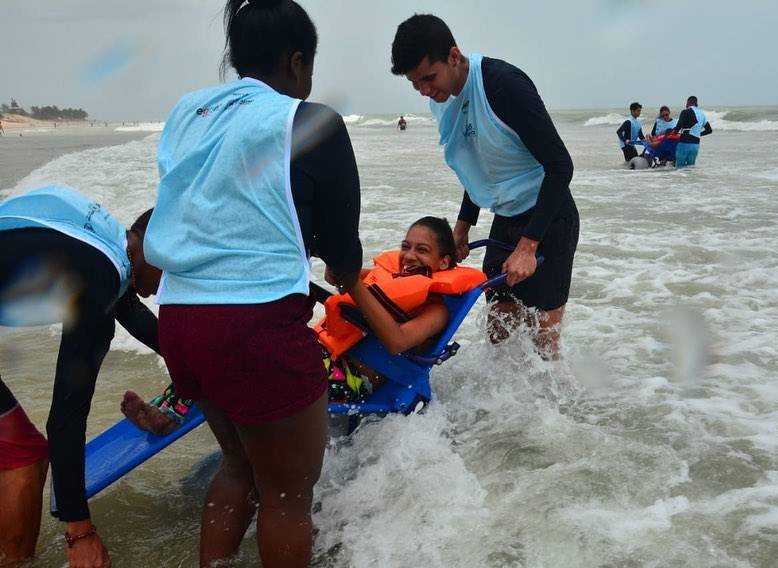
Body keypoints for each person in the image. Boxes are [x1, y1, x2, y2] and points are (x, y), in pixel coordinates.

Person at [142, 1, 362, 566]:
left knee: (238, 466)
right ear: (296, 62)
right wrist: (341, 270)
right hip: (254, 327)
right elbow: (343, 252)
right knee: (287, 494)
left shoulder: (189, 113)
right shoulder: (311, 120)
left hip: (182, 318)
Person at [128, 217, 475, 425]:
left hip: (354, 380)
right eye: (406, 246)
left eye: (422, 250)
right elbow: (343, 281)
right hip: (323, 357)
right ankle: (169, 406)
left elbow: (398, 341)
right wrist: (338, 267)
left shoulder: (436, 308)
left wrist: (352, 282)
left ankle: (169, 416)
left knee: (249, 356)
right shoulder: (392, 278)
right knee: (235, 344)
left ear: (444, 263)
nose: (410, 255)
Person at [390, 14, 579, 359]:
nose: (425, 91)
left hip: (550, 221)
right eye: (415, 83)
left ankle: (555, 412)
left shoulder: (503, 86)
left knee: (544, 347)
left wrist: (527, 246)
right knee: (500, 336)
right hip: (505, 219)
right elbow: (476, 167)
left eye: (428, 78)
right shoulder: (443, 99)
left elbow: (560, 166)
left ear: (453, 56)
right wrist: (461, 229)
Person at [0, 184, 163, 568]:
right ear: (160, 251)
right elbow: (66, 418)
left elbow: (145, 325)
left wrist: (180, 395)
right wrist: (80, 531)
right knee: (23, 458)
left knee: (21, 453)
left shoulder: (102, 242)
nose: (163, 292)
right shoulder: (100, 274)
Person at [673, 95, 712, 168]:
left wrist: (674, 133)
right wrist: (698, 134)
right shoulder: (702, 114)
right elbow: (709, 130)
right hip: (695, 145)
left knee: (680, 168)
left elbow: (679, 125)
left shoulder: (685, 112)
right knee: (690, 168)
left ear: (688, 102)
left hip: (684, 144)